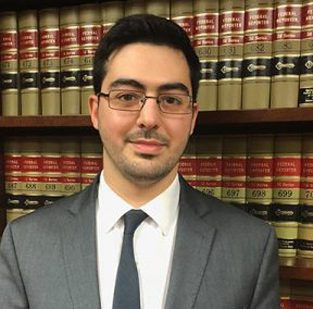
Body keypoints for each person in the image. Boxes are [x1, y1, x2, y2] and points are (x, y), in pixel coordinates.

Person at [0, 14, 279, 309]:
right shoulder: (25, 244)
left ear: (192, 118)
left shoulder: (251, 247)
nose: (149, 118)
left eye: (171, 100)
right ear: (95, 111)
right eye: (127, 96)